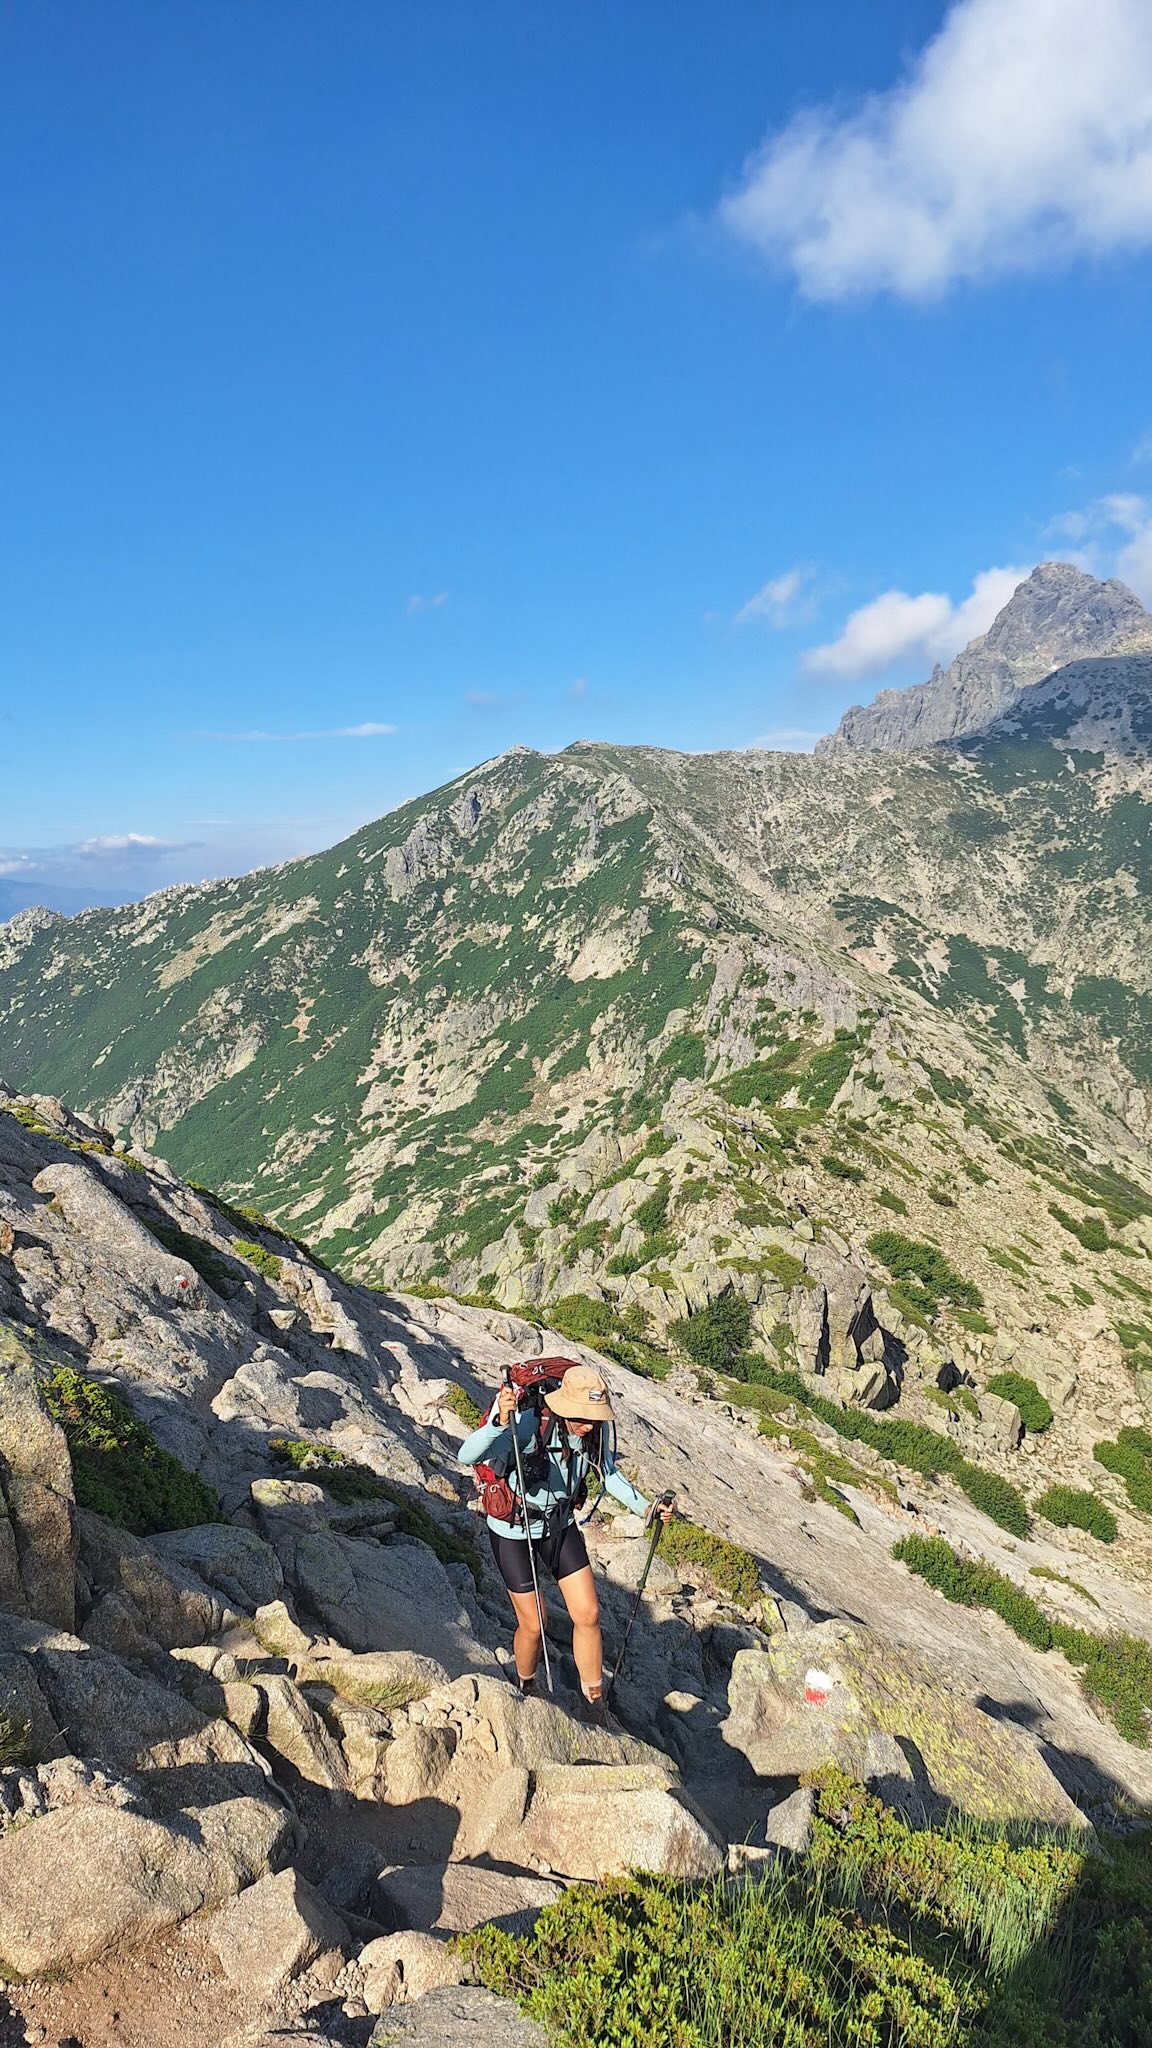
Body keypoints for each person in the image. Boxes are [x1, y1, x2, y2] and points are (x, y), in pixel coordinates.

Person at [457, 1362, 674, 1725]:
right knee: (535, 1622)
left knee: (588, 1614)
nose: (588, 1423)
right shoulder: (529, 1424)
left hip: (559, 1525)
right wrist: (497, 1420)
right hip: (514, 1529)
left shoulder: (595, 1434)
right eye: (582, 1416)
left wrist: (647, 1507)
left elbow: (610, 1474)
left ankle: (594, 1702)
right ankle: (527, 1684)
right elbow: (467, 1455)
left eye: (594, 1417)